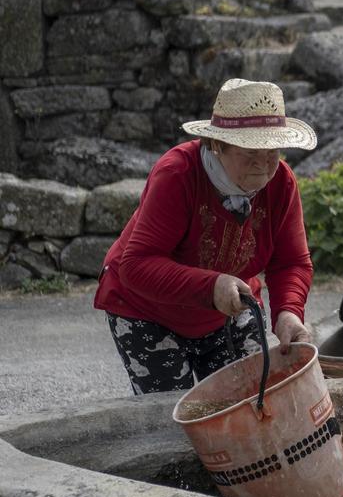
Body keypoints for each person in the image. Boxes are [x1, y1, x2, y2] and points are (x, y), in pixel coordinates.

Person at [94, 78, 318, 394]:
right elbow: (137, 265)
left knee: (252, 405)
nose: (263, 165)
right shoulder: (178, 174)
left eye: (271, 152)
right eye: (249, 152)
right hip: (146, 311)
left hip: (230, 309)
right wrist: (212, 285)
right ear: (217, 145)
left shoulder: (281, 184)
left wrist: (288, 314)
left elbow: (291, 262)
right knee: (172, 422)